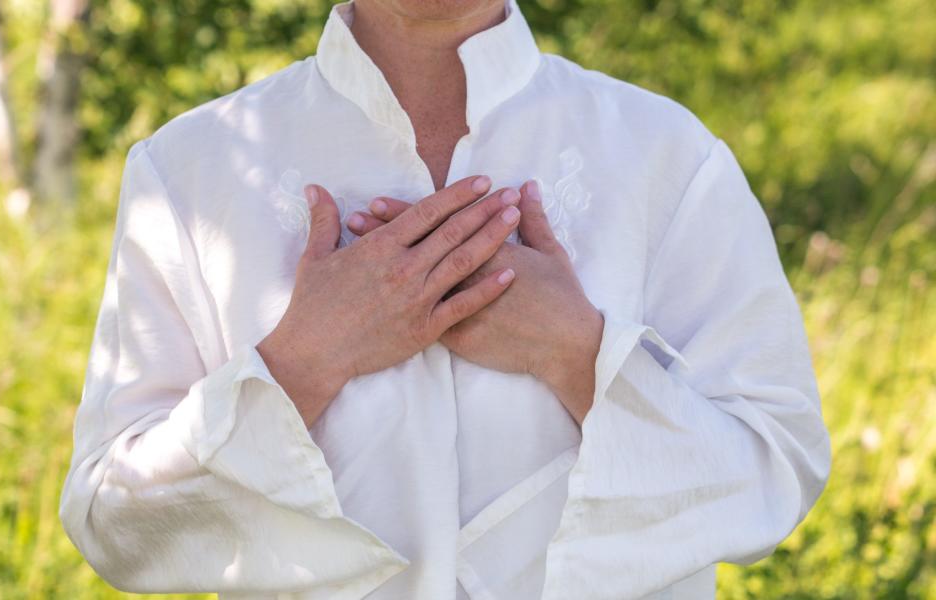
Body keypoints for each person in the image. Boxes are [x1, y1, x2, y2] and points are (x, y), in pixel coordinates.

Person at [58, 0, 832, 598]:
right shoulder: (192, 174)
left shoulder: (669, 159)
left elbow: (776, 470)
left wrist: (578, 354)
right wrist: (298, 363)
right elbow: (114, 521)